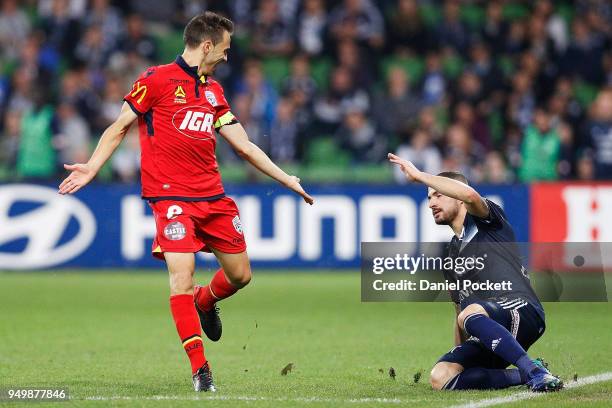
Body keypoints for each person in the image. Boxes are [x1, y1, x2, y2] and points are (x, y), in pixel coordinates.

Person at [58, 11, 313, 393]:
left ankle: (206, 301)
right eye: (225, 49)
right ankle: (201, 371)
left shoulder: (214, 92)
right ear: (207, 45)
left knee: (241, 275)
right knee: (181, 277)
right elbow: (119, 126)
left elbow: (243, 145)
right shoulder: (156, 80)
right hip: (170, 198)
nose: (228, 57)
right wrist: (93, 167)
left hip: (213, 197)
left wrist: (286, 178)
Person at [388, 153, 563, 392]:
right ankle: (526, 373)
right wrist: (462, 357)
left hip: (524, 311)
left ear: (458, 197)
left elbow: (470, 195)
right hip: (488, 326)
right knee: (441, 377)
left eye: (437, 195)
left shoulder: (487, 221)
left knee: (471, 312)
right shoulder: (450, 255)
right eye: (429, 198)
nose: (431, 204)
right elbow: (459, 312)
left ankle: (535, 373)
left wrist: (420, 176)